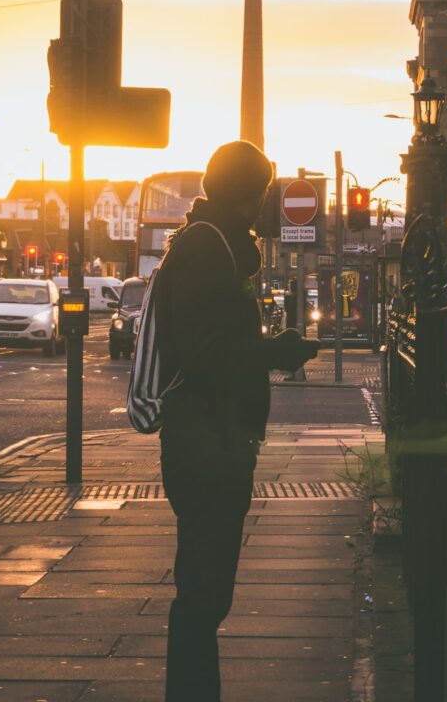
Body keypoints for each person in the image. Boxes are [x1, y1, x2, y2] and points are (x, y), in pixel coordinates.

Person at [153, 141, 321, 701]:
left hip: (214, 438)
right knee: (203, 595)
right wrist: (274, 352)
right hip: (207, 442)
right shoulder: (206, 248)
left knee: (206, 593)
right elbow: (205, 353)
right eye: (266, 191)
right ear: (252, 194)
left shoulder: (213, 243)